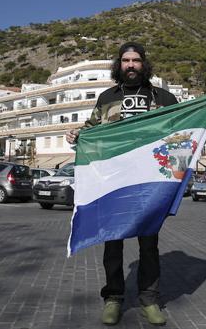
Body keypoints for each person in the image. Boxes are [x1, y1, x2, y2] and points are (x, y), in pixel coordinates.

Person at [66, 42, 177, 326]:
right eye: (126, 60)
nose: (130, 65)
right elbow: (91, 130)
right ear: (119, 64)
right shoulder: (106, 97)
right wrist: (76, 135)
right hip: (114, 184)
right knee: (112, 244)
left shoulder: (163, 98)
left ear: (144, 64)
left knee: (149, 245)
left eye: (136, 60)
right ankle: (113, 298)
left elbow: (180, 133)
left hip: (148, 186)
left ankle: (149, 300)